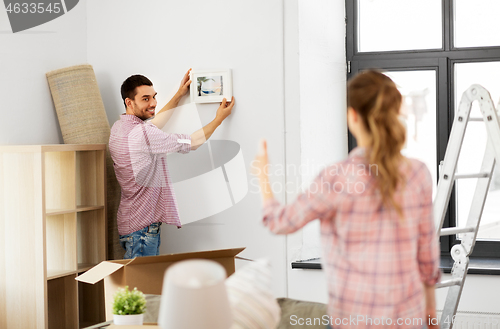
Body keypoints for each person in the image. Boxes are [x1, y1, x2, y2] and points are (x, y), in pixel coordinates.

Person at [253, 70, 440, 329]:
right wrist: (430, 312)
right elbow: (427, 254)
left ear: (352, 116)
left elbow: (280, 222)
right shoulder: (419, 173)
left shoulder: (336, 178)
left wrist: (262, 175)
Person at [109, 69, 235, 259]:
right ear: (129, 102)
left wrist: (178, 95)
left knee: (137, 287)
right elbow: (192, 142)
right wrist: (219, 119)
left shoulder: (119, 128)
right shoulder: (143, 135)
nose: (153, 103)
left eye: (154, 97)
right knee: (143, 288)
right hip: (143, 231)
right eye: (145, 99)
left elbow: (154, 124)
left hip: (130, 224)